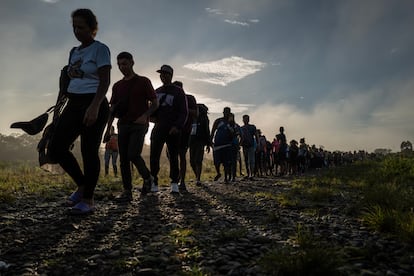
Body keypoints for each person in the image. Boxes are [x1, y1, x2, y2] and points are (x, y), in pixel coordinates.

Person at [48, 9, 111, 214]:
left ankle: (88, 200)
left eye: (81, 27)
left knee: (89, 151)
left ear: (92, 29)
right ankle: (82, 185)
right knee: (56, 147)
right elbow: (69, 81)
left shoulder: (100, 49)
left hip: (94, 102)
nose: (76, 31)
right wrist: (58, 108)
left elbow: (105, 81)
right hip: (73, 103)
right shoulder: (74, 52)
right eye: (74, 26)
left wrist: (94, 106)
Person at [105, 52, 158, 202]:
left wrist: (145, 116)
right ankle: (127, 191)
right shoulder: (117, 86)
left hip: (139, 125)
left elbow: (155, 104)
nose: (122, 67)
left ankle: (148, 178)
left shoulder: (144, 81)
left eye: (125, 64)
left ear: (132, 63)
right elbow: (112, 109)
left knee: (133, 154)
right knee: (123, 160)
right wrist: (108, 129)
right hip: (122, 125)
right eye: (119, 65)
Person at [150, 65, 188, 194]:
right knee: (154, 155)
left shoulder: (178, 91)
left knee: (173, 156)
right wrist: (151, 117)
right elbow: (152, 107)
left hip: (173, 129)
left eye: (165, 74)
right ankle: (154, 181)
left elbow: (184, 112)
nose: (162, 76)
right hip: (159, 127)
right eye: (161, 74)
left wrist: (177, 126)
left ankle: (174, 183)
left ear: (171, 75)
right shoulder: (156, 91)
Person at [173, 81, 197, 192]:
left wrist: (183, 109)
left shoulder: (190, 98)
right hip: (172, 130)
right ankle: (176, 178)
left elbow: (196, 113)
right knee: (172, 155)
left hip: (185, 130)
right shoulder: (172, 98)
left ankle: (182, 181)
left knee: (182, 155)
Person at [189, 103, 211, 186]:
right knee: (192, 161)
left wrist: (208, 143)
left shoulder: (204, 118)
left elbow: (207, 130)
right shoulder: (190, 118)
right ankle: (197, 177)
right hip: (191, 141)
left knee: (198, 160)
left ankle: (198, 178)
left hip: (200, 140)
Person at [210, 107, 234, 183]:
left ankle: (226, 178)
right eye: (225, 112)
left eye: (228, 112)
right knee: (216, 162)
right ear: (223, 112)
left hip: (227, 144)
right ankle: (218, 173)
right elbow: (213, 131)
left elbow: (233, 134)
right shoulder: (218, 121)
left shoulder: (231, 123)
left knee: (226, 163)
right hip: (217, 144)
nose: (226, 113)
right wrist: (210, 141)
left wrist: (230, 124)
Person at [240, 114, 258, 180]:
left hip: (251, 145)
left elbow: (256, 135)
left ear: (248, 119)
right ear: (243, 120)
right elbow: (240, 137)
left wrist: (257, 144)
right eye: (244, 119)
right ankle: (248, 173)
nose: (245, 120)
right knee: (246, 160)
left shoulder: (252, 127)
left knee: (251, 160)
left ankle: (251, 174)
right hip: (244, 145)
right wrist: (239, 144)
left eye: (247, 119)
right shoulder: (241, 128)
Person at [228, 113, 241, 182]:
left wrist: (239, 144)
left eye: (231, 117)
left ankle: (233, 176)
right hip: (227, 145)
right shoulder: (226, 125)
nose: (230, 118)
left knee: (233, 161)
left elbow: (241, 135)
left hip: (234, 145)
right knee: (228, 161)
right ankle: (229, 176)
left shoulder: (236, 126)